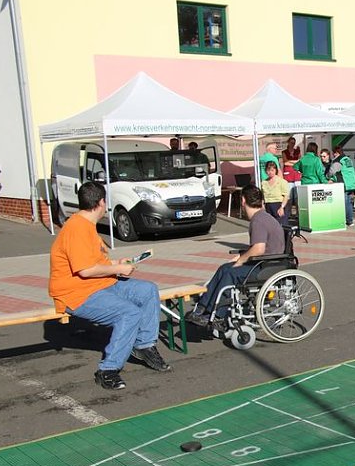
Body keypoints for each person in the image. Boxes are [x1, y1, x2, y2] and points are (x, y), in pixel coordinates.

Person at [48, 182, 170, 390]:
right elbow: (85, 270)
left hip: (100, 283)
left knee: (148, 290)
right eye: (106, 201)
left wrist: (117, 264)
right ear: (101, 202)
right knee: (129, 313)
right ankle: (108, 370)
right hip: (76, 293)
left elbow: (95, 263)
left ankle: (144, 346)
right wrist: (117, 270)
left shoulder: (86, 224)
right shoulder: (76, 228)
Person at [186, 185, 285, 329]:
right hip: (266, 263)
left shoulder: (258, 220)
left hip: (266, 266)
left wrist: (241, 260)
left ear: (243, 201)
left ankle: (216, 315)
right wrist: (240, 256)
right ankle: (202, 308)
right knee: (224, 268)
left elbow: (258, 248)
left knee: (230, 273)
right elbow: (259, 248)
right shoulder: (263, 217)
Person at [332, 146, 355, 226]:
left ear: (337, 153)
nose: (333, 155)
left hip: (345, 184)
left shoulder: (338, 161)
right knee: (349, 203)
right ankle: (350, 221)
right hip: (352, 184)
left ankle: (346, 221)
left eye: (334, 153)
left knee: (344, 203)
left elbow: (331, 172)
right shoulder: (348, 159)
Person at [262, 160, 290, 225]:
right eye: (268, 170)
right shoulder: (264, 183)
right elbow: (263, 195)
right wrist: (262, 205)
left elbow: (286, 196)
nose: (270, 172)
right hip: (268, 206)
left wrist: (282, 207)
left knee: (281, 227)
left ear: (275, 170)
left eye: (272, 170)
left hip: (279, 205)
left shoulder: (282, 182)